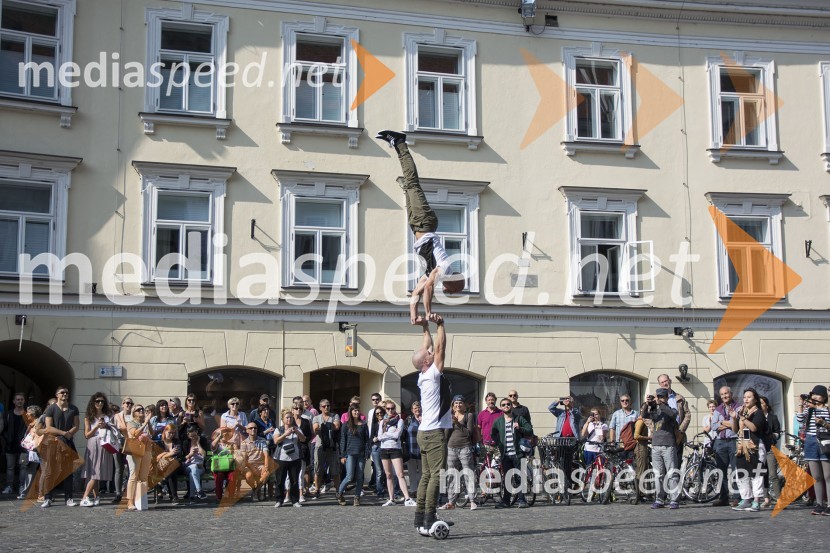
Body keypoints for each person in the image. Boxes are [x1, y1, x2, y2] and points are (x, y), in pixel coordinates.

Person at [376, 130, 462, 324]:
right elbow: (429, 286)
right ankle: (400, 143)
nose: (445, 290)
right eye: (449, 290)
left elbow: (417, 291)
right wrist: (429, 312)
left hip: (416, 226)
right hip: (425, 222)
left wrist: (414, 315)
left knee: (408, 185)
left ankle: (398, 147)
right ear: (451, 282)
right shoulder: (444, 269)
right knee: (412, 183)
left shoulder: (431, 272)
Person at [413, 314, 451, 534]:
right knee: (436, 475)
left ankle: (419, 517)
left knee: (426, 476)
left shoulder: (422, 375)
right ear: (427, 362)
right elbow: (440, 347)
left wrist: (425, 326)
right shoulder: (434, 374)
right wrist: (441, 325)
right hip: (434, 432)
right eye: (428, 354)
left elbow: (426, 347)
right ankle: (429, 516)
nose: (430, 351)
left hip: (423, 432)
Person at [42, 386, 80, 508]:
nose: (64, 394)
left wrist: (69, 434)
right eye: (62, 392)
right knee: (50, 471)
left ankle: (68, 498)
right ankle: (47, 497)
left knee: (68, 471)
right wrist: (63, 433)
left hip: (67, 443)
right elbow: (48, 427)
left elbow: (76, 425)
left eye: (66, 392)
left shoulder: (73, 408)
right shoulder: (51, 409)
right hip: (53, 442)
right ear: (57, 394)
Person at [491, 397, 533, 509]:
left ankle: (522, 499)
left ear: (511, 406)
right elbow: (493, 433)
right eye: (503, 404)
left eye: (508, 404)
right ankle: (506, 501)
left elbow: (530, 430)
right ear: (501, 407)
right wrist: (498, 443)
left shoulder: (518, 419)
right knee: (507, 478)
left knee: (520, 477)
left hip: (518, 454)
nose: (506, 406)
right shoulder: (498, 421)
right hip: (505, 454)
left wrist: (520, 428)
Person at [642, 388, 680, 509]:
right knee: (658, 474)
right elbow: (644, 415)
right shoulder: (655, 410)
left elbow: (673, 415)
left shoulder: (670, 409)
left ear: (666, 398)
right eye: (658, 396)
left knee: (672, 473)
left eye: (661, 397)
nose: (659, 399)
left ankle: (674, 499)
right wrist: (648, 404)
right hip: (656, 445)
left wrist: (661, 404)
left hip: (668, 445)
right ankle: (659, 499)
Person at [730, 388, 766, 513]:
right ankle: (746, 499)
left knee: (756, 473)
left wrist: (743, 419)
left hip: (755, 445)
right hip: (742, 445)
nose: (746, 399)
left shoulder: (758, 413)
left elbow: (754, 428)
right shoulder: (743, 412)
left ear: (755, 399)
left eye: (749, 397)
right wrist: (735, 419)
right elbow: (736, 430)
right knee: (741, 473)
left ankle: (756, 500)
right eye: (744, 397)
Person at [796, 385, 830, 515]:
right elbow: (800, 420)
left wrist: (822, 423)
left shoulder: (827, 410)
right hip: (810, 441)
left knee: (828, 476)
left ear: (824, 397)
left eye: (817, 395)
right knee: (816, 476)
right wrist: (801, 404)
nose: (814, 397)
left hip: (825, 441)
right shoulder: (809, 410)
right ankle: (819, 504)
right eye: (812, 395)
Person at [441, 395, 478, 511]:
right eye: (456, 403)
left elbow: (469, 433)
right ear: (453, 405)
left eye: (460, 403)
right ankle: (451, 501)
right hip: (451, 447)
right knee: (452, 475)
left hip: (465, 447)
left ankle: (472, 500)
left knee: (468, 473)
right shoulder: (450, 416)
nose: (458, 405)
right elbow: (446, 435)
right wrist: (450, 423)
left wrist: (457, 423)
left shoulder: (469, 416)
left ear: (464, 405)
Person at [378, 399, 417, 507]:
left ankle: (407, 498)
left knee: (400, 474)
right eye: (388, 409)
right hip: (384, 450)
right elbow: (379, 437)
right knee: (388, 475)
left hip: (395, 449)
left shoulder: (399, 421)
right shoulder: (382, 422)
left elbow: (397, 435)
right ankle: (391, 499)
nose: (390, 410)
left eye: (392, 408)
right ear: (385, 410)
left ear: (395, 409)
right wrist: (386, 435)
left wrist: (385, 434)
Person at [80, 393, 115, 507]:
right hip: (93, 443)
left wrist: (106, 425)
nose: (100, 403)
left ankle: (96, 497)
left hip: (104, 443)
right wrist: (96, 426)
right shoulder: (88, 417)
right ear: (93, 403)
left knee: (97, 472)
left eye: (102, 401)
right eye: (97, 401)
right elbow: (86, 435)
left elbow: (114, 428)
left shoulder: (108, 415)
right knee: (95, 472)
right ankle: (85, 497)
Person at [712, 386, 742, 507]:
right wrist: (729, 423)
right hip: (720, 442)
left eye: (726, 393)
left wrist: (721, 422)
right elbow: (713, 426)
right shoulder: (718, 409)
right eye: (722, 394)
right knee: (721, 471)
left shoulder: (739, 407)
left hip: (734, 441)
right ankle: (723, 497)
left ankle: (737, 497)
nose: (725, 396)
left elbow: (738, 424)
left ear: (731, 394)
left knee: (736, 470)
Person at [548, 395, 581, 493]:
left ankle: (569, 482)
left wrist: (570, 407)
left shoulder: (575, 412)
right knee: (559, 462)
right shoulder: (561, 413)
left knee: (568, 462)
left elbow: (577, 416)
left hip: (571, 441)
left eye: (569, 400)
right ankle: (562, 481)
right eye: (566, 400)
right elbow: (550, 408)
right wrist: (558, 401)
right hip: (560, 440)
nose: (567, 401)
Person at [338, 403, 369, 506]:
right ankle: (340, 493)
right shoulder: (346, 425)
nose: (356, 412)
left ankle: (357, 497)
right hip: (350, 453)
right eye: (354, 410)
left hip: (361, 453)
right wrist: (342, 455)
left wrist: (367, 453)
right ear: (350, 412)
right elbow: (343, 440)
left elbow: (366, 440)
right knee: (350, 476)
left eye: (357, 410)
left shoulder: (364, 425)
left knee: (360, 476)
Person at [273, 408, 305, 508]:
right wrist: (286, 434)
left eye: (291, 417)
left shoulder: (297, 428)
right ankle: (279, 500)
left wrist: (297, 432)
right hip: (281, 458)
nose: (289, 419)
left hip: (295, 458)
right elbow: (276, 441)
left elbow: (303, 439)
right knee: (280, 480)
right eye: (287, 417)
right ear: (283, 419)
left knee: (294, 480)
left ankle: (295, 500)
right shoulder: (279, 429)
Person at [657, 374, 690, 465]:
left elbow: (687, 414)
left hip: (677, 433)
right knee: (664, 465)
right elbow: (647, 417)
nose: (665, 383)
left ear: (670, 381)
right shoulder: (656, 398)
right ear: (660, 384)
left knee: (677, 462)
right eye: (662, 382)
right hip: (663, 435)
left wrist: (681, 430)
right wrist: (654, 429)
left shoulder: (679, 398)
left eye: (666, 381)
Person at [125, 404, 152, 511]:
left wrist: (148, 422)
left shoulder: (144, 422)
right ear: (134, 413)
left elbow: (152, 433)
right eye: (138, 410)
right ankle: (130, 501)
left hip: (147, 450)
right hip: (135, 451)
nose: (141, 411)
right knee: (134, 475)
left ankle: (140, 500)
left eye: (142, 409)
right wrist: (145, 423)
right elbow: (135, 433)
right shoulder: (131, 423)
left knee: (144, 477)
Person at [312, 399, 341, 500]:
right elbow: (315, 429)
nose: (326, 408)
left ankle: (338, 491)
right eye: (324, 406)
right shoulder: (316, 417)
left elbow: (336, 426)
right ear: (320, 408)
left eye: (328, 406)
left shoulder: (335, 416)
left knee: (335, 471)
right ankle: (317, 490)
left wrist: (324, 427)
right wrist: (327, 427)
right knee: (318, 469)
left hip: (332, 447)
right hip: (320, 446)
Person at [239, 422, 271, 500]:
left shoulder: (262, 440)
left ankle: (255, 491)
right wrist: (252, 468)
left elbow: (266, 455)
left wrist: (266, 466)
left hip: (260, 464)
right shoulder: (243, 443)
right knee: (248, 475)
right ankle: (256, 490)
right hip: (248, 465)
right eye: (251, 428)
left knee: (266, 473)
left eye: (255, 428)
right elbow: (244, 459)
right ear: (247, 430)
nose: (253, 429)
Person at [2, 393, 27, 496]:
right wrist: (8, 439)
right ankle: (9, 486)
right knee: (10, 467)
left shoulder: (27, 414)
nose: (19, 401)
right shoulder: (9, 414)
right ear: (14, 401)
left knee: (23, 467)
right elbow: (3, 428)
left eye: (21, 399)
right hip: (10, 445)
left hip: (24, 446)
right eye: (17, 399)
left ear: (24, 401)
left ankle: (22, 487)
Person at [759, 396, 781, 508]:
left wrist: (774, 436)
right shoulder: (757, 417)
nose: (760, 405)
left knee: (772, 474)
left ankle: (779, 499)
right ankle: (766, 498)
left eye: (762, 403)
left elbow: (778, 432)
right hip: (759, 448)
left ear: (766, 405)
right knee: (763, 474)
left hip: (770, 448)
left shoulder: (773, 417)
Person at [112, 397, 134, 504]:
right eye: (127, 403)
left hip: (131, 444)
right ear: (122, 404)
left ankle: (129, 493)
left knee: (131, 469)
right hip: (118, 444)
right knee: (118, 469)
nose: (129, 405)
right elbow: (112, 429)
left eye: (131, 403)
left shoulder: (134, 416)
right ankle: (118, 493)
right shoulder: (117, 416)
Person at [211, 426, 239, 502]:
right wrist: (219, 437)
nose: (225, 434)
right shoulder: (217, 445)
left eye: (227, 432)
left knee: (233, 475)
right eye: (223, 432)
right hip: (218, 467)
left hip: (230, 467)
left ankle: (230, 496)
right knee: (219, 476)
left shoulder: (232, 444)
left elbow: (237, 454)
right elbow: (213, 446)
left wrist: (234, 448)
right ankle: (219, 497)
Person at [156, 423, 182, 504]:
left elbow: (178, 453)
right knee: (171, 474)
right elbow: (157, 457)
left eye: (173, 433)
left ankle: (163, 481)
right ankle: (174, 497)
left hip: (177, 465)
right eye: (170, 432)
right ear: (165, 432)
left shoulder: (176, 441)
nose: (171, 435)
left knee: (172, 467)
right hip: (165, 468)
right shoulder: (160, 443)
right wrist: (170, 453)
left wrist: (163, 455)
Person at [182, 424, 208, 501]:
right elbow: (183, 459)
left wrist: (198, 443)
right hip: (188, 467)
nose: (193, 437)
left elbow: (204, 454)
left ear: (197, 432)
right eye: (191, 436)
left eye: (194, 435)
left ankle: (192, 496)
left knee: (193, 473)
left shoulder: (202, 440)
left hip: (200, 467)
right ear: (188, 435)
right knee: (193, 467)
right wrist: (190, 454)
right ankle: (199, 490)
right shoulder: (185, 442)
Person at [405, 401, 423, 497]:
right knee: (411, 472)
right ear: (412, 410)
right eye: (415, 408)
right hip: (411, 448)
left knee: (422, 472)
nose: (417, 409)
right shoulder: (408, 420)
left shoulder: (425, 419)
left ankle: (421, 490)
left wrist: (421, 421)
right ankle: (413, 489)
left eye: (419, 407)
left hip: (422, 449)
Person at [633, 414, 652, 502]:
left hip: (644, 447)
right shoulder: (640, 421)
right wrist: (649, 438)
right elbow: (636, 436)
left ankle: (644, 493)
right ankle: (640, 494)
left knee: (644, 469)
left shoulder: (645, 421)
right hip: (640, 448)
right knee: (641, 471)